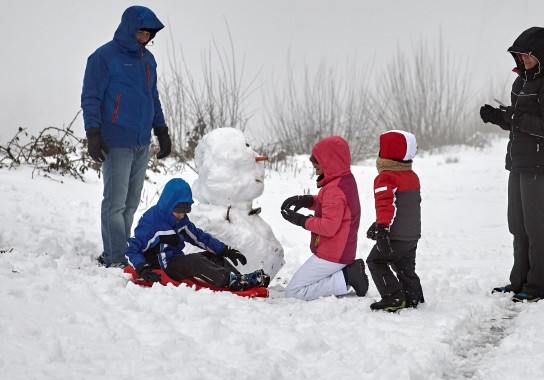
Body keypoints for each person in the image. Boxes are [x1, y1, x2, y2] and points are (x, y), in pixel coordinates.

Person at [479, 27, 544, 303]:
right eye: (519, 55)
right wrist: (498, 117)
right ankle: (520, 280)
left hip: (542, 165)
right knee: (517, 224)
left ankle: (538, 285)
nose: (523, 59)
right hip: (519, 161)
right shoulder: (521, 83)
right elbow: (518, 121)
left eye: (528, 55)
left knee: (534, 224)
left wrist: (515, 116)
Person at [81, 6, 172, 268]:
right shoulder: (103, 57)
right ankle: (115, 257)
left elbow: (152, 96)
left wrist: (161, 130)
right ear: (129, 29)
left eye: (148, 34)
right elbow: (91, 98)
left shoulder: (148, 60)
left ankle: (117, 250)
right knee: (115, 203)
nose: (145, 37)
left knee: (131, 203)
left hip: (141, 141)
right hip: (116, 140)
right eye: (141, 32)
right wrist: (93, 133)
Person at [126, 178, 270, 291]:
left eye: (184, 212)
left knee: (213, 257)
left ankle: (240, 279)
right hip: (161, 268)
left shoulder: (180, 220)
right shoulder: (151, 222)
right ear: (169, 205)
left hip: (176, 261)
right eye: (179, 212)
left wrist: (225, 250)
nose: (182, 216)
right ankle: (232, 281)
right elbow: (132, 248)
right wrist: (142, 268)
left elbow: (199, 237)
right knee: (195, 261)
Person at [280, 136, 368, 301]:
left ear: (329, 162)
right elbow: (332, 206)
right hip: (340, 250)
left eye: (317, 167)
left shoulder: (335, 189)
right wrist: (307, 200)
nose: (316, 171)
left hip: (333, 254)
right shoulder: (344, 180)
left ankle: (348, 276)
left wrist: (301, 220)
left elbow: (329, 227)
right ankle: (346, 274)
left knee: (293, 292)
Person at [365, 130, 424, 312]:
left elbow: (386, 205)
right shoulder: (411, 176)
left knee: (376, 261)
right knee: (405, 267)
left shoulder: (386, 177)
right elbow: (404, 207)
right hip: (411, 235)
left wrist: (382, 229)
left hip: (395, 236)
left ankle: (393, 297)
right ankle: (413, 298)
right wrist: (378, 224)